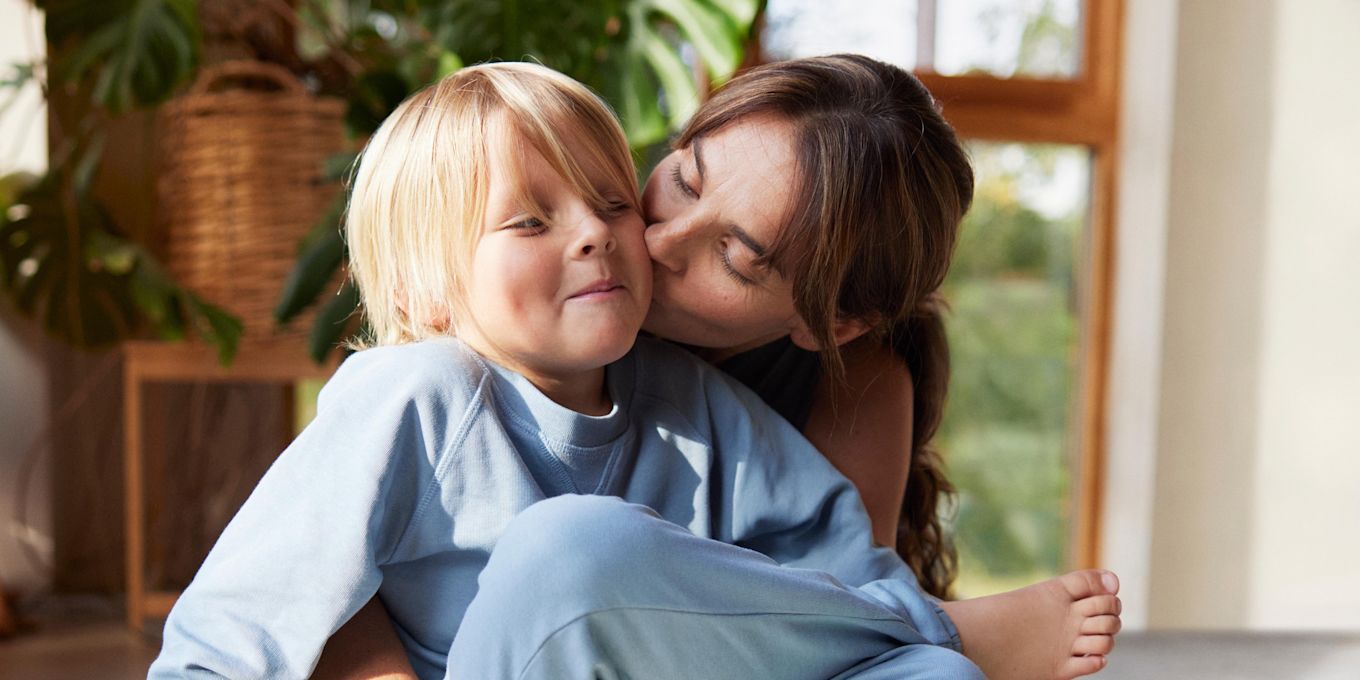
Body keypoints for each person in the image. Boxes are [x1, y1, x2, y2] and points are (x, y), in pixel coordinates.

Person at [148, 61, 989, 680]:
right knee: (572, 545)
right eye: (528, 220)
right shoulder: (416, 393)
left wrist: (929, 644)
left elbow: (839, 588)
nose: (620, 235)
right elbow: (236, 625)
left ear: (833, 323)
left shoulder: (709, 406)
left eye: (611, 201)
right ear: (426, 289)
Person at [315, 55, 1122, 680]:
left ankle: (933, 636)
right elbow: (326, 563)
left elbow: (806, 630)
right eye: (683, 178)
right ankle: (940, 625)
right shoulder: (544, 259)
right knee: (577, 551)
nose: (656, 241)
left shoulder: (860, 385)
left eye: (734, 257)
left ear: (832, 323)